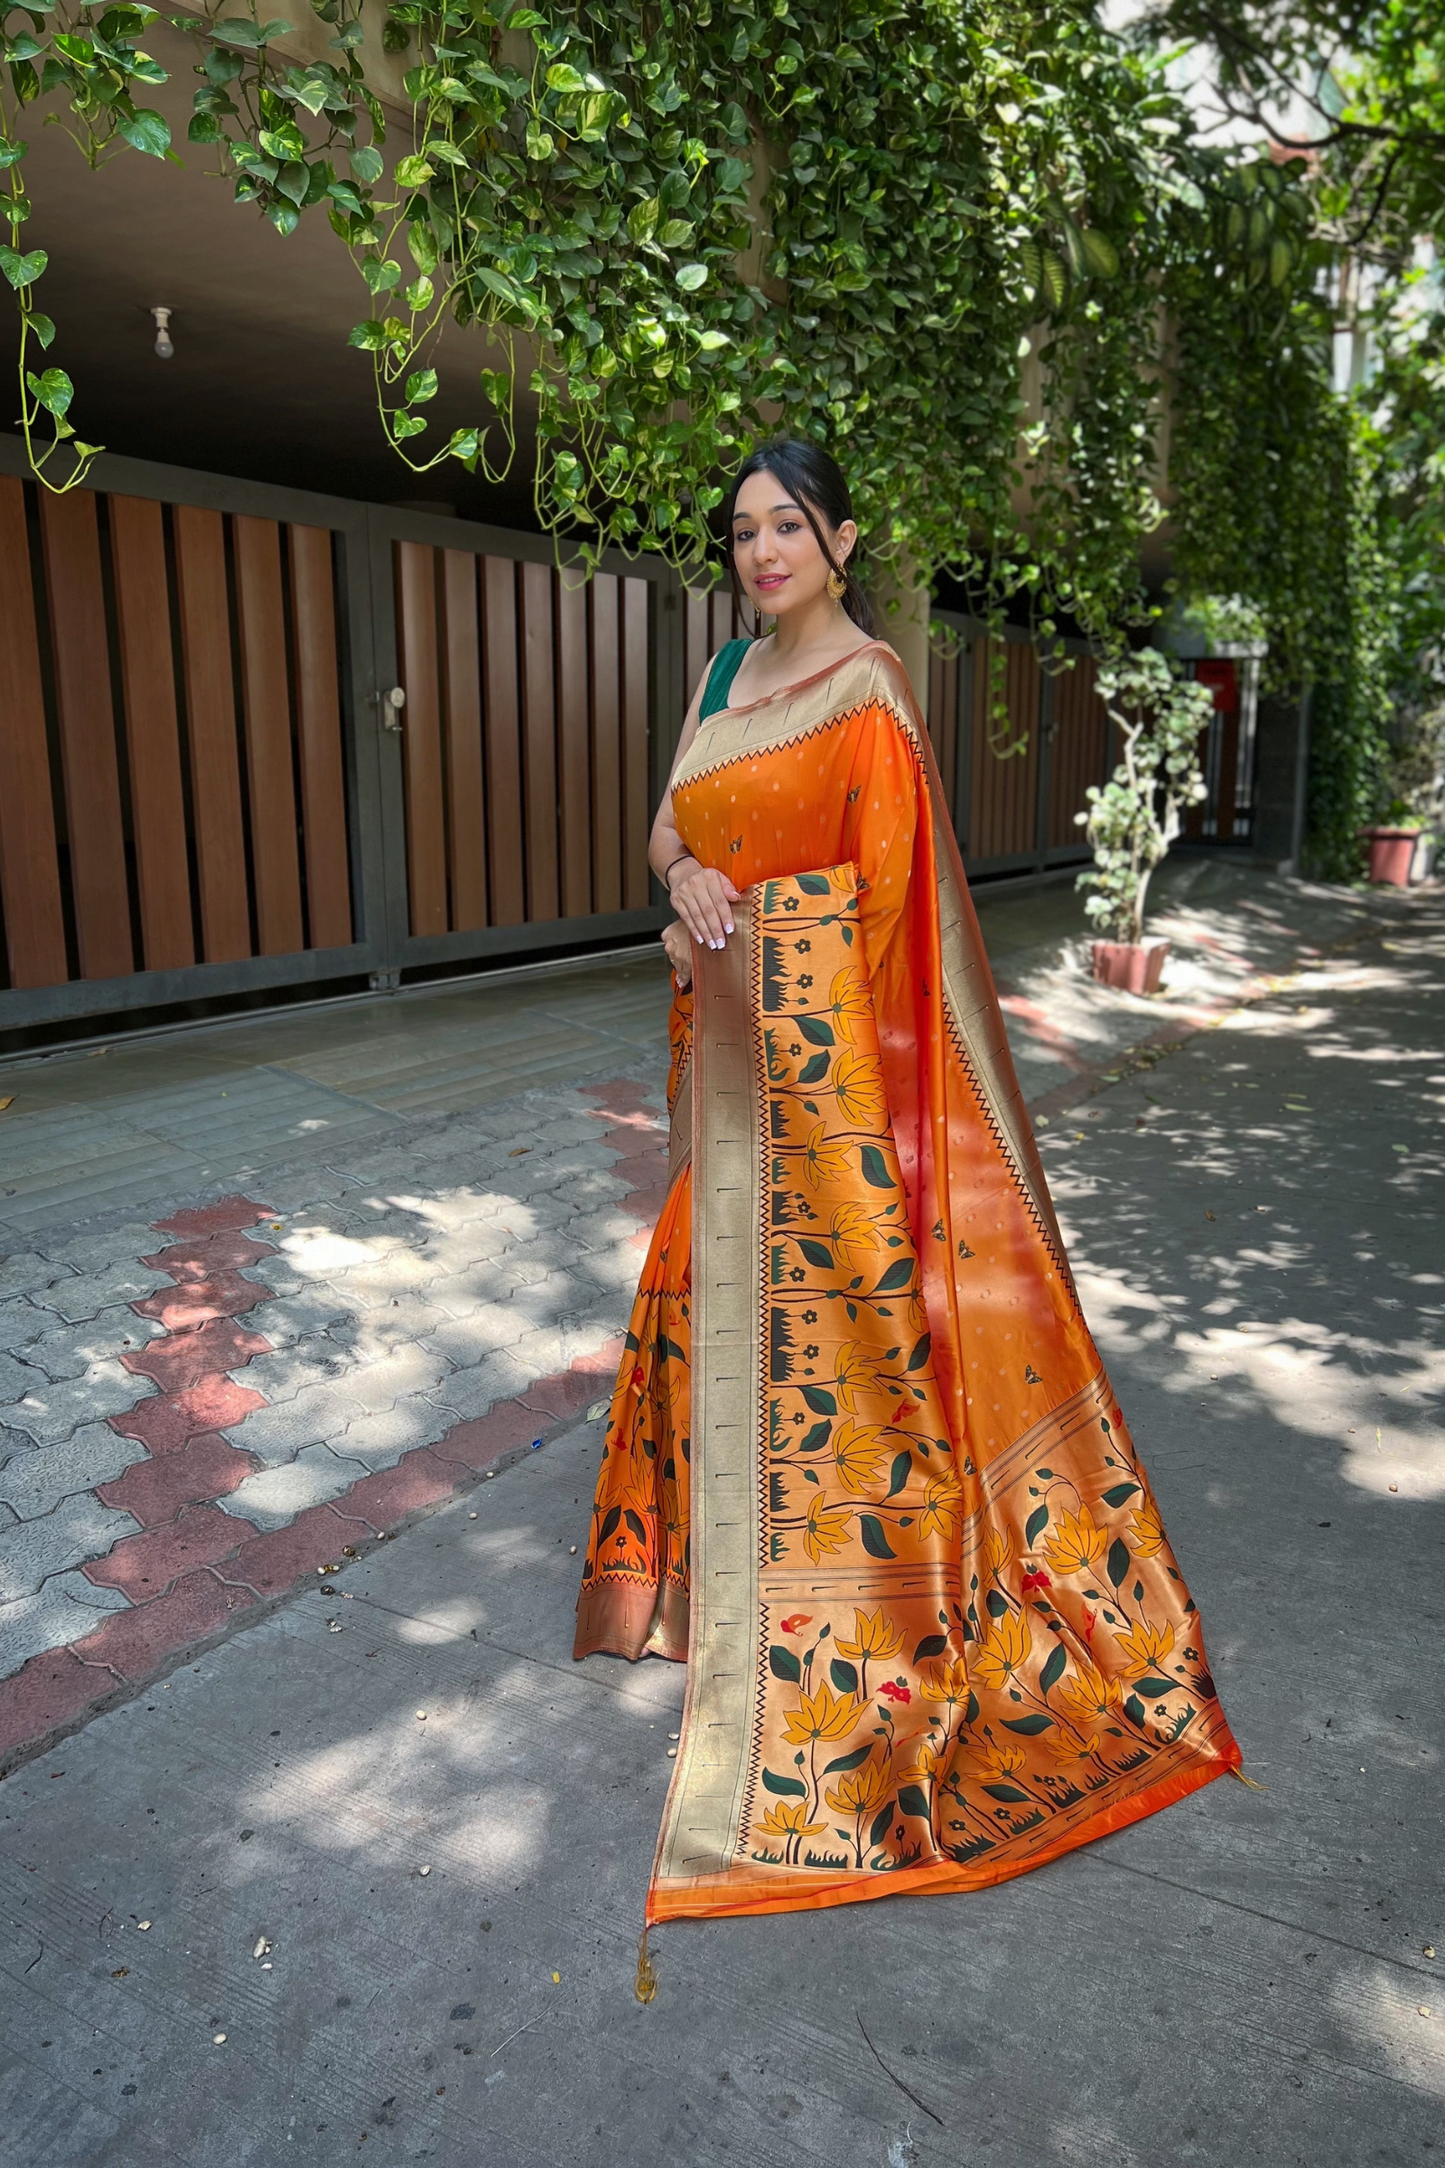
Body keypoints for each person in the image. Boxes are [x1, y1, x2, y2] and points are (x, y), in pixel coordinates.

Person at [575, 437, 1240, 1932]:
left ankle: (866, 1616)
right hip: (720, 1075)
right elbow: (671, 823)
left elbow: (889, 918)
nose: (761, 551)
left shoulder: (870, 691)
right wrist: (682, 882)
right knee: (699, 1290)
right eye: (741, 530)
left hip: (822, 1087)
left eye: (787, 526)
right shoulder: (719, 678)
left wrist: (830, 1063)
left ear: (843, 539)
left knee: (846, 1350)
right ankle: (695, 1591)